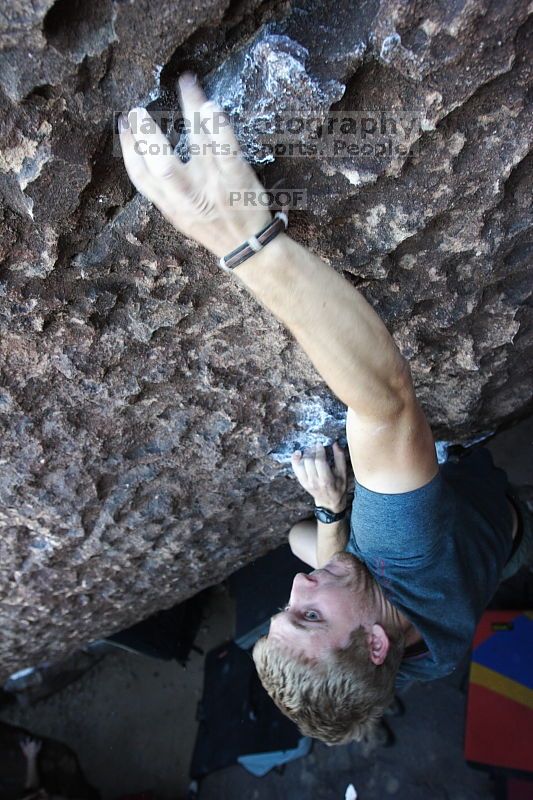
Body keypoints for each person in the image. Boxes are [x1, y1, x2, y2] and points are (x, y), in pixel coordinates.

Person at [117, 73, 533, 745]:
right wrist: (246, 242)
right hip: (474, 516)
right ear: (371, 644)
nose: (300, 587)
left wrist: (331, 516)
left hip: (503, 540)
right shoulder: (403, 551)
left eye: (286, 609)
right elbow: (387, 402)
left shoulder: (412, 663)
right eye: (309, 617)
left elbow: (300, 546)